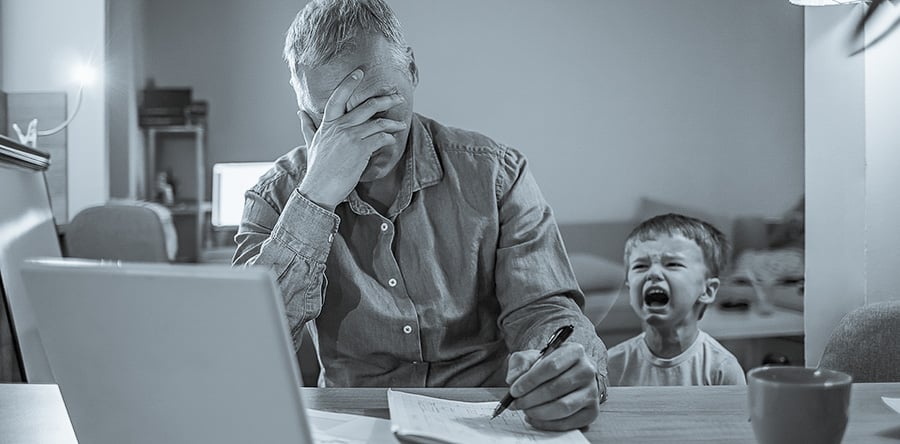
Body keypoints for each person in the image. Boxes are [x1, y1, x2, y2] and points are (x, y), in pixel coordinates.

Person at [233, 0, 607, 431]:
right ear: (306, 122)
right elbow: (248, 353)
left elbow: (545, 311)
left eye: (379, 109)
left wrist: (565, 369)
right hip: (352, 422)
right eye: (334, 123)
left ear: (411, 70)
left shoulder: (496, 175)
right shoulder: (275, 196)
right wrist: (315, 198)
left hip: (487, 417)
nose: (368, 138)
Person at [606, 213, 746, 386]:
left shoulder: (722, 368)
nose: (653, 273)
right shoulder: (612, 365)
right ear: (629, 288)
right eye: (640, 266)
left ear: (707, 290)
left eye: (672, 264)